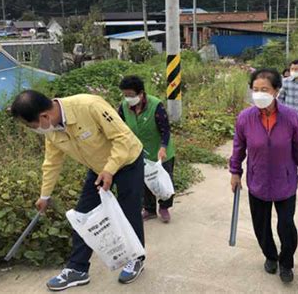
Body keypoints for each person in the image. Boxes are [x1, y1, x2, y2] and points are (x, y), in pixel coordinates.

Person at [10, 90, 146, 291]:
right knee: (83, 216)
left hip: (127, 161)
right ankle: (77, 269)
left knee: (129, 212)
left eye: (32, 126)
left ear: (44, 116)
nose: (34, 129)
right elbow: (52, 162)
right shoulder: (52, 129)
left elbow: (122, 138)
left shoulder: (89, 106)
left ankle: (136, 258)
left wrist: (110, 169)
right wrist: (44, 195)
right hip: (98, 169)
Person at [230, 68, 298, 283]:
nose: (259, 94)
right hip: (258, 180)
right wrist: (235, 172)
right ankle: (270, 256)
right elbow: (238, 148)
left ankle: (286, 262)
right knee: (261, 225)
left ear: (276, 91)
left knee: (285, 225)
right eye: (255, 90)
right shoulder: (245, 118)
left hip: (285, 181)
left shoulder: (291, 117)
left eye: (265, 89)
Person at [117, 76, 176, 223]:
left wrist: (163, 148)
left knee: (163, 180)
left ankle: (164, 207)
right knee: (144, 181)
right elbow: (119, 127)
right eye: (125, 95)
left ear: (141, 93)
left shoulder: (156, 105)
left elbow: (165, 130)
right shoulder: (124, 107)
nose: (127, 98)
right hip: (140, 152)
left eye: (130, 95)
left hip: (160, 150)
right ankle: (149, 209)